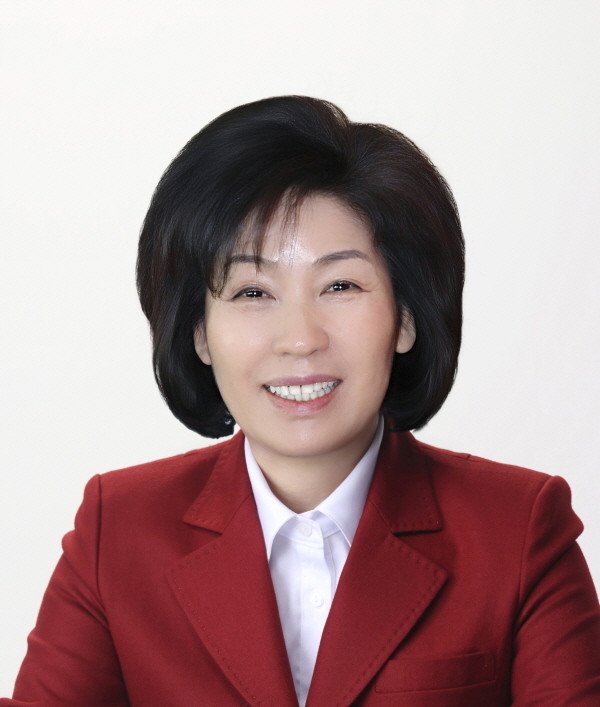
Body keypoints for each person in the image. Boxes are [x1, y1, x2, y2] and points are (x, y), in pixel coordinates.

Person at [3, 96, 599, 706]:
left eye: (340, 285)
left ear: (406, 317)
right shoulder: (119, 531)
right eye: (252, 292)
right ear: (199, 332)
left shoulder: (519, 530)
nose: (299, 339)